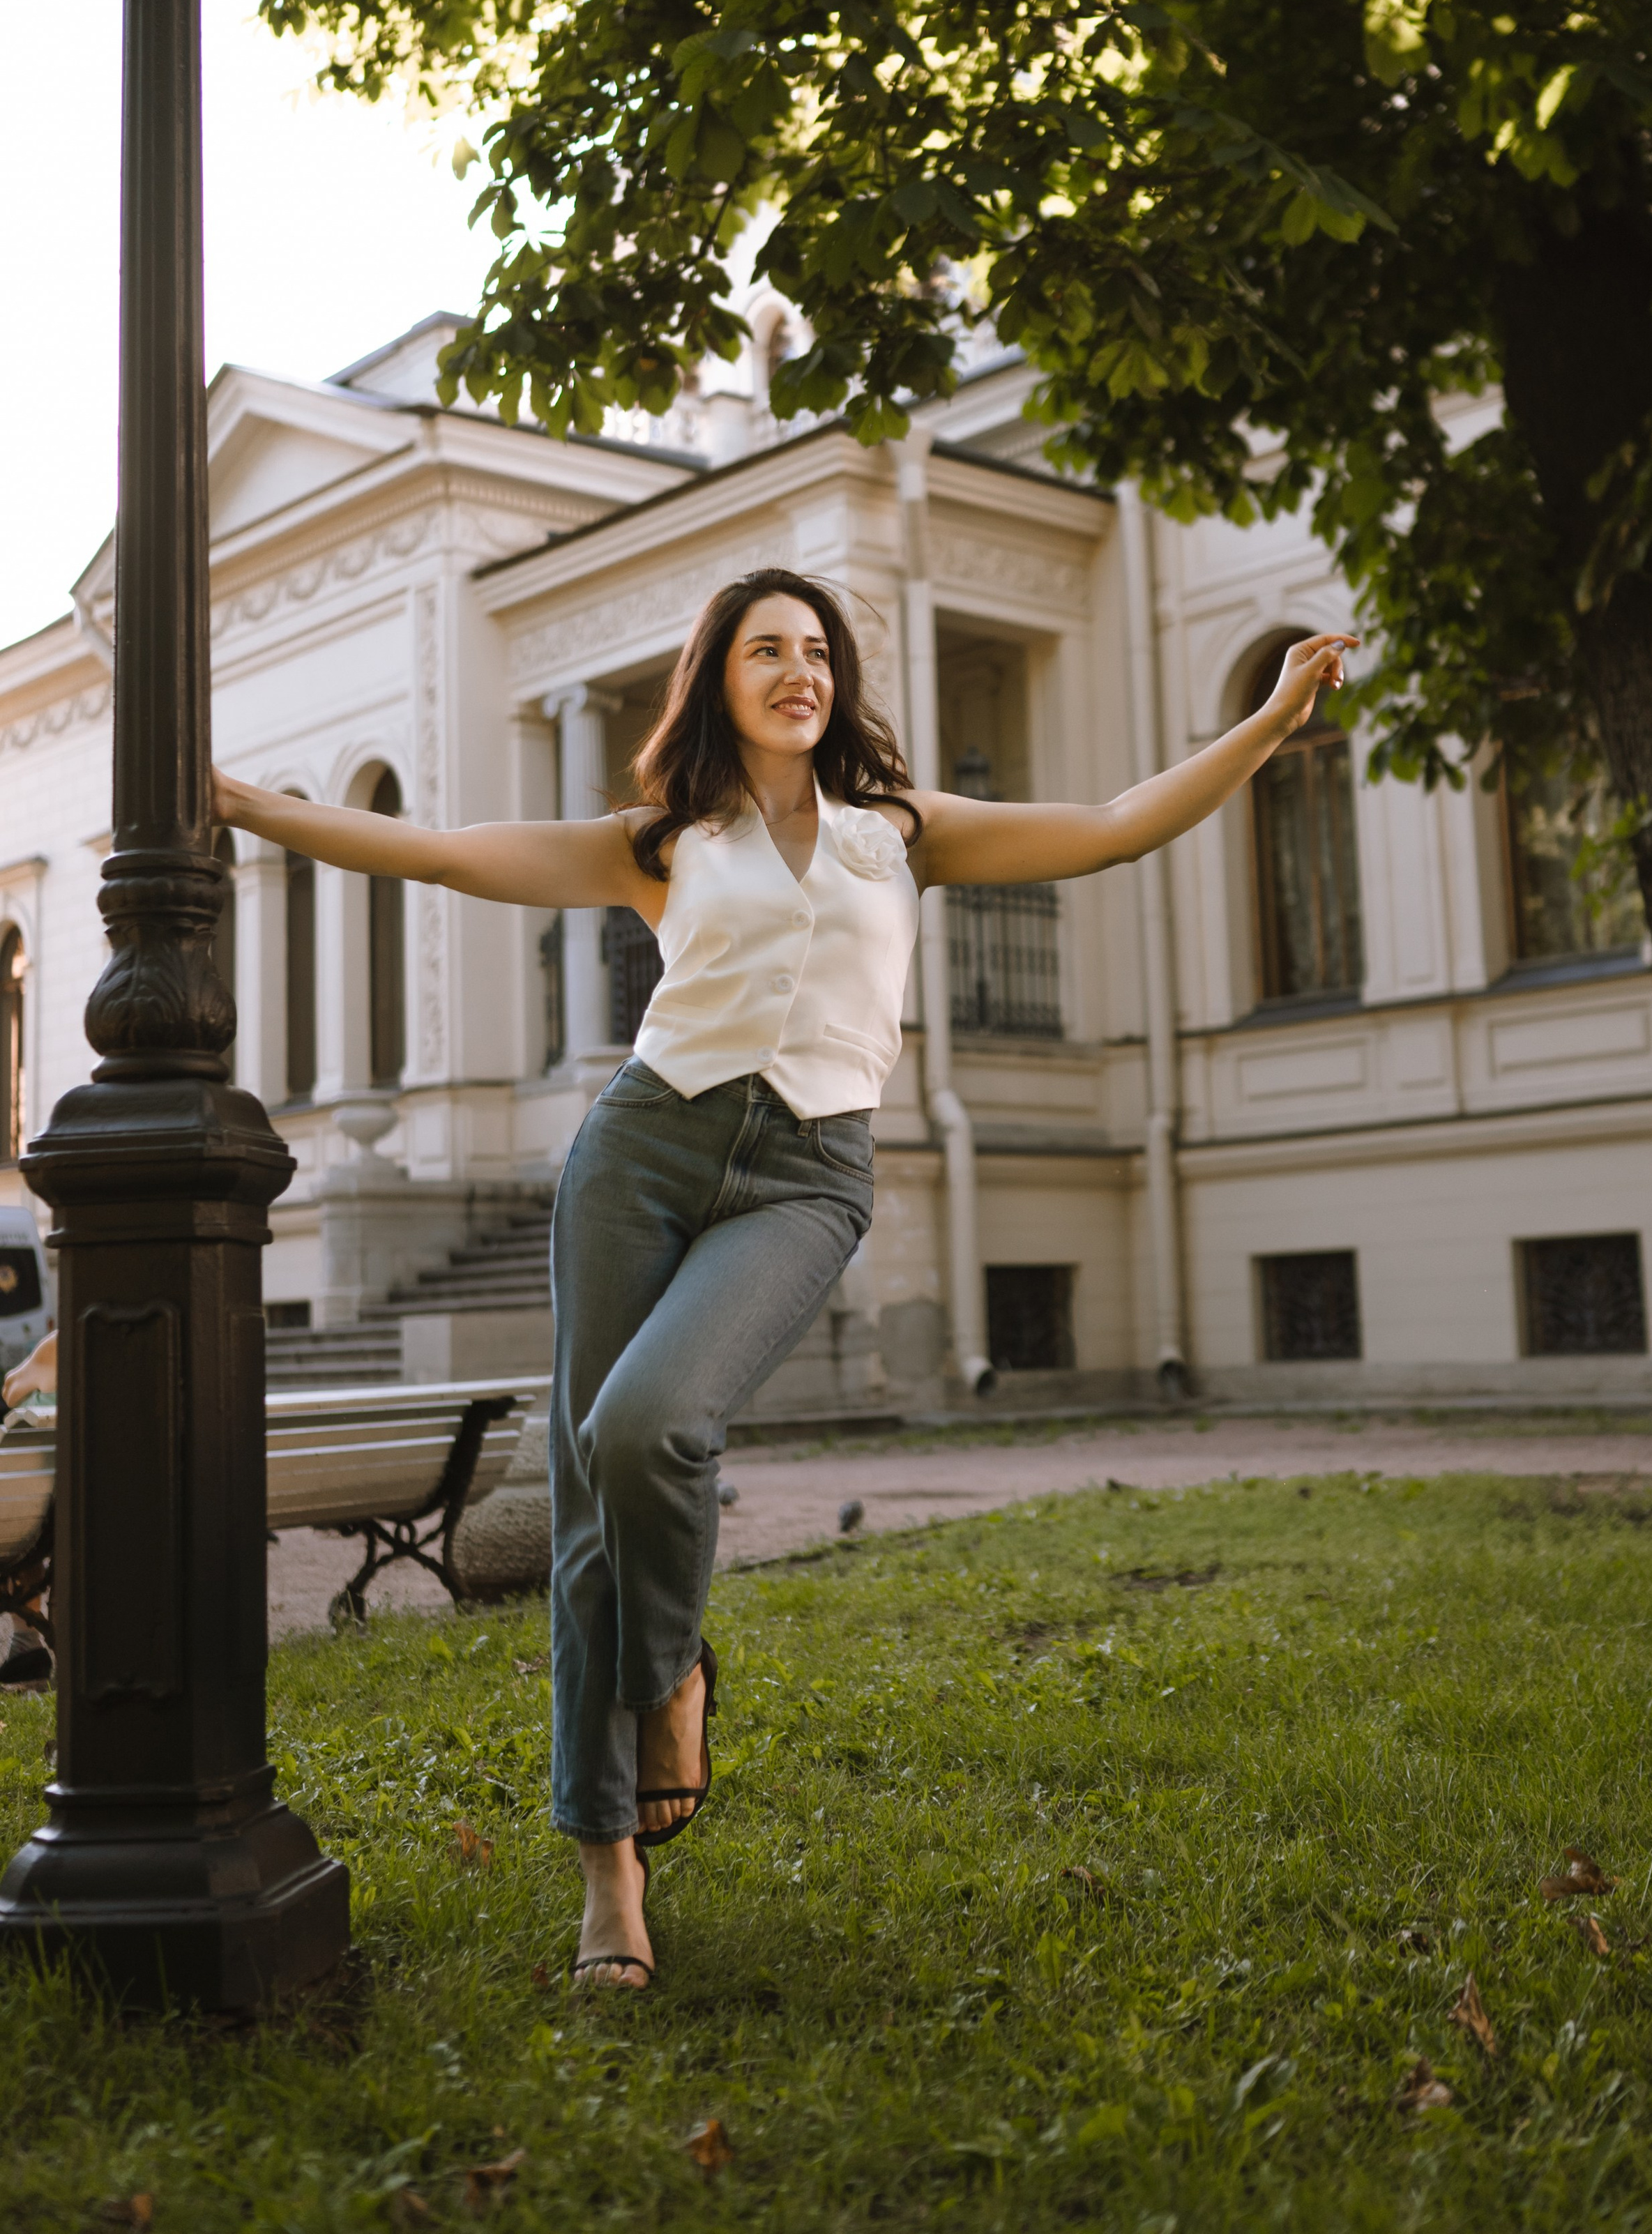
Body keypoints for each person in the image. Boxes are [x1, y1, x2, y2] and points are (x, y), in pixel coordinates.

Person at [215, 568, 1354, 1989]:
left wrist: (1269, 719)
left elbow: (1118, 825)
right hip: (641, 1154)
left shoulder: (901, 832)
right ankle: (608, 1874)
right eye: (766, 650)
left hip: (808, 1175)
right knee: (586, 1502)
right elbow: (447, 855)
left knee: (651, 1425)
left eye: (816, 650)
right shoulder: (665, 840)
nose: (799, 670)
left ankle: (671, 1672)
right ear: (719, 679)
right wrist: (248, 806)